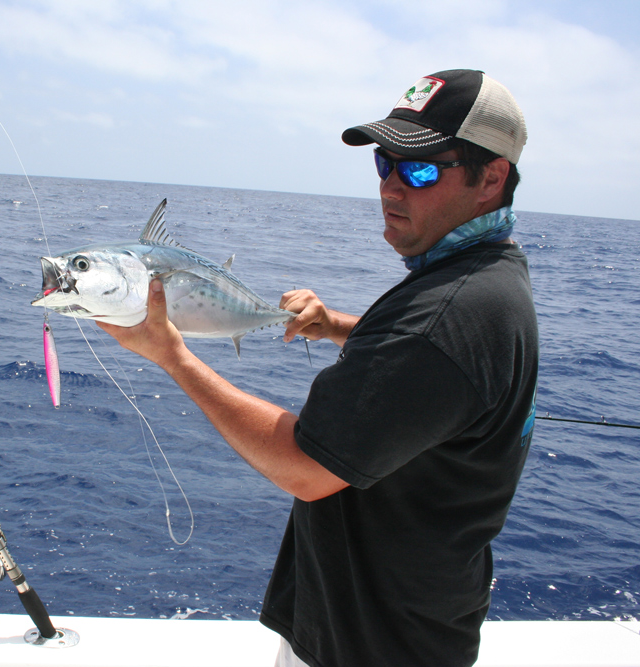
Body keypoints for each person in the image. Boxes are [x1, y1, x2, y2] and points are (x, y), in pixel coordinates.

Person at [99, 69, 539, 667]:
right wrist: (334, 325)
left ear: (492, 178)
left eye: (422, 169)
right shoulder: (486, 279)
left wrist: (171, 355)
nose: (392, 187)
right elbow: (414, 356)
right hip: (394, 622)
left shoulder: (449, 311)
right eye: (385, 163)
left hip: (375, 645)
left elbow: (306, 468)